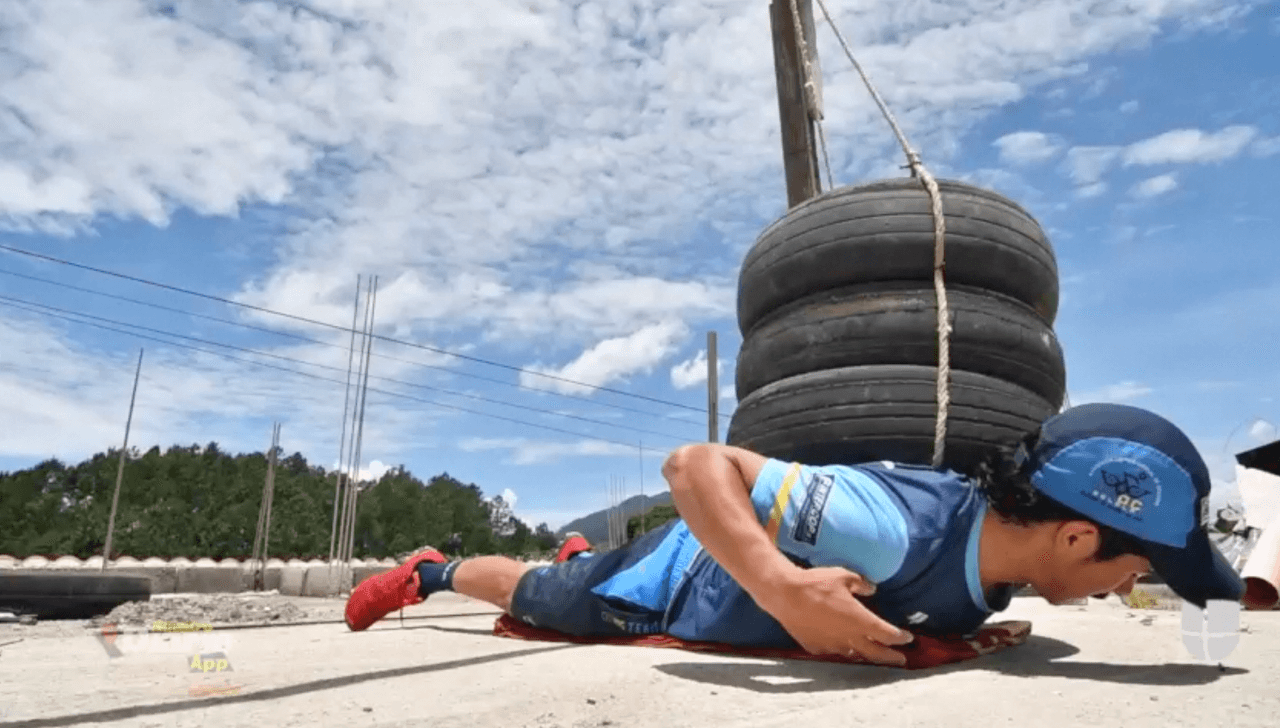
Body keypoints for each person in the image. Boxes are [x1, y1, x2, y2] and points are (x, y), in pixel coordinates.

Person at [344, 403, 1245, 666]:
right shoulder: (891, 531)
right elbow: (696, 468)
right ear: (1078, 539)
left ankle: (572, 556)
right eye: (1140, 567)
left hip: (729, 568)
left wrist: (964, 628)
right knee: (538, 594)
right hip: (676, 577)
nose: (1131, 589)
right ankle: (436, 569)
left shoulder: (1003, 563)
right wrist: (779, 589)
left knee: (563, 574)